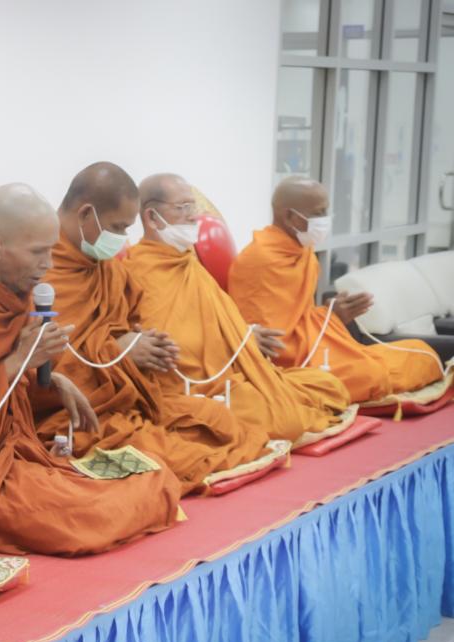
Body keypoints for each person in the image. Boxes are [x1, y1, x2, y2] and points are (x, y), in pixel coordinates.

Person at [0, 183, 182, 556]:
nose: (48, 264)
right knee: (88, 517)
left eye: (50, 250)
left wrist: (52, 380)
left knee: (156, 475)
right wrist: (19, 361)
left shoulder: (18, 293)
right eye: (37, 252)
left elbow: (13, 388)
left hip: (18, 453)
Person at [35, 162, 270, 494]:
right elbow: (38, 368)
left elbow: (123, 325)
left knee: (224, 424)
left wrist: (140, 343)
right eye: (117, 227)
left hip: (126, 401)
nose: (122, 239)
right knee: (170, 462)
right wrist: (117, 351)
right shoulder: (39, 271)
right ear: (86, 214)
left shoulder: (109, 272)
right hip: (76, 415)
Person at [122, 174, 351, 442]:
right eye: (183, 207)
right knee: (286, 420)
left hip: (229, 377)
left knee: (328, 385)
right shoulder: (135, 273)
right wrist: (234, 342)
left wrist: (242, 335)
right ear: (151, 217)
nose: (194, 216)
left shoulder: (189, 264)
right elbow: (173, 347)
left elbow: (213, 322)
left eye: (193, 207)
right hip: (191, 390)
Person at [228, 176, 442, 403]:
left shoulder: (302, 250)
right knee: (370, 374)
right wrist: (322, 325)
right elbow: (267, 340)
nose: (325, 219)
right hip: (290, 365)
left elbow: (300, 317)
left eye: (326, 211)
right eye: (318, 213)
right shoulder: (258, 261)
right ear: (290, 216)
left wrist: (332, 315)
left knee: (421, 351)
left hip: (316, 349)